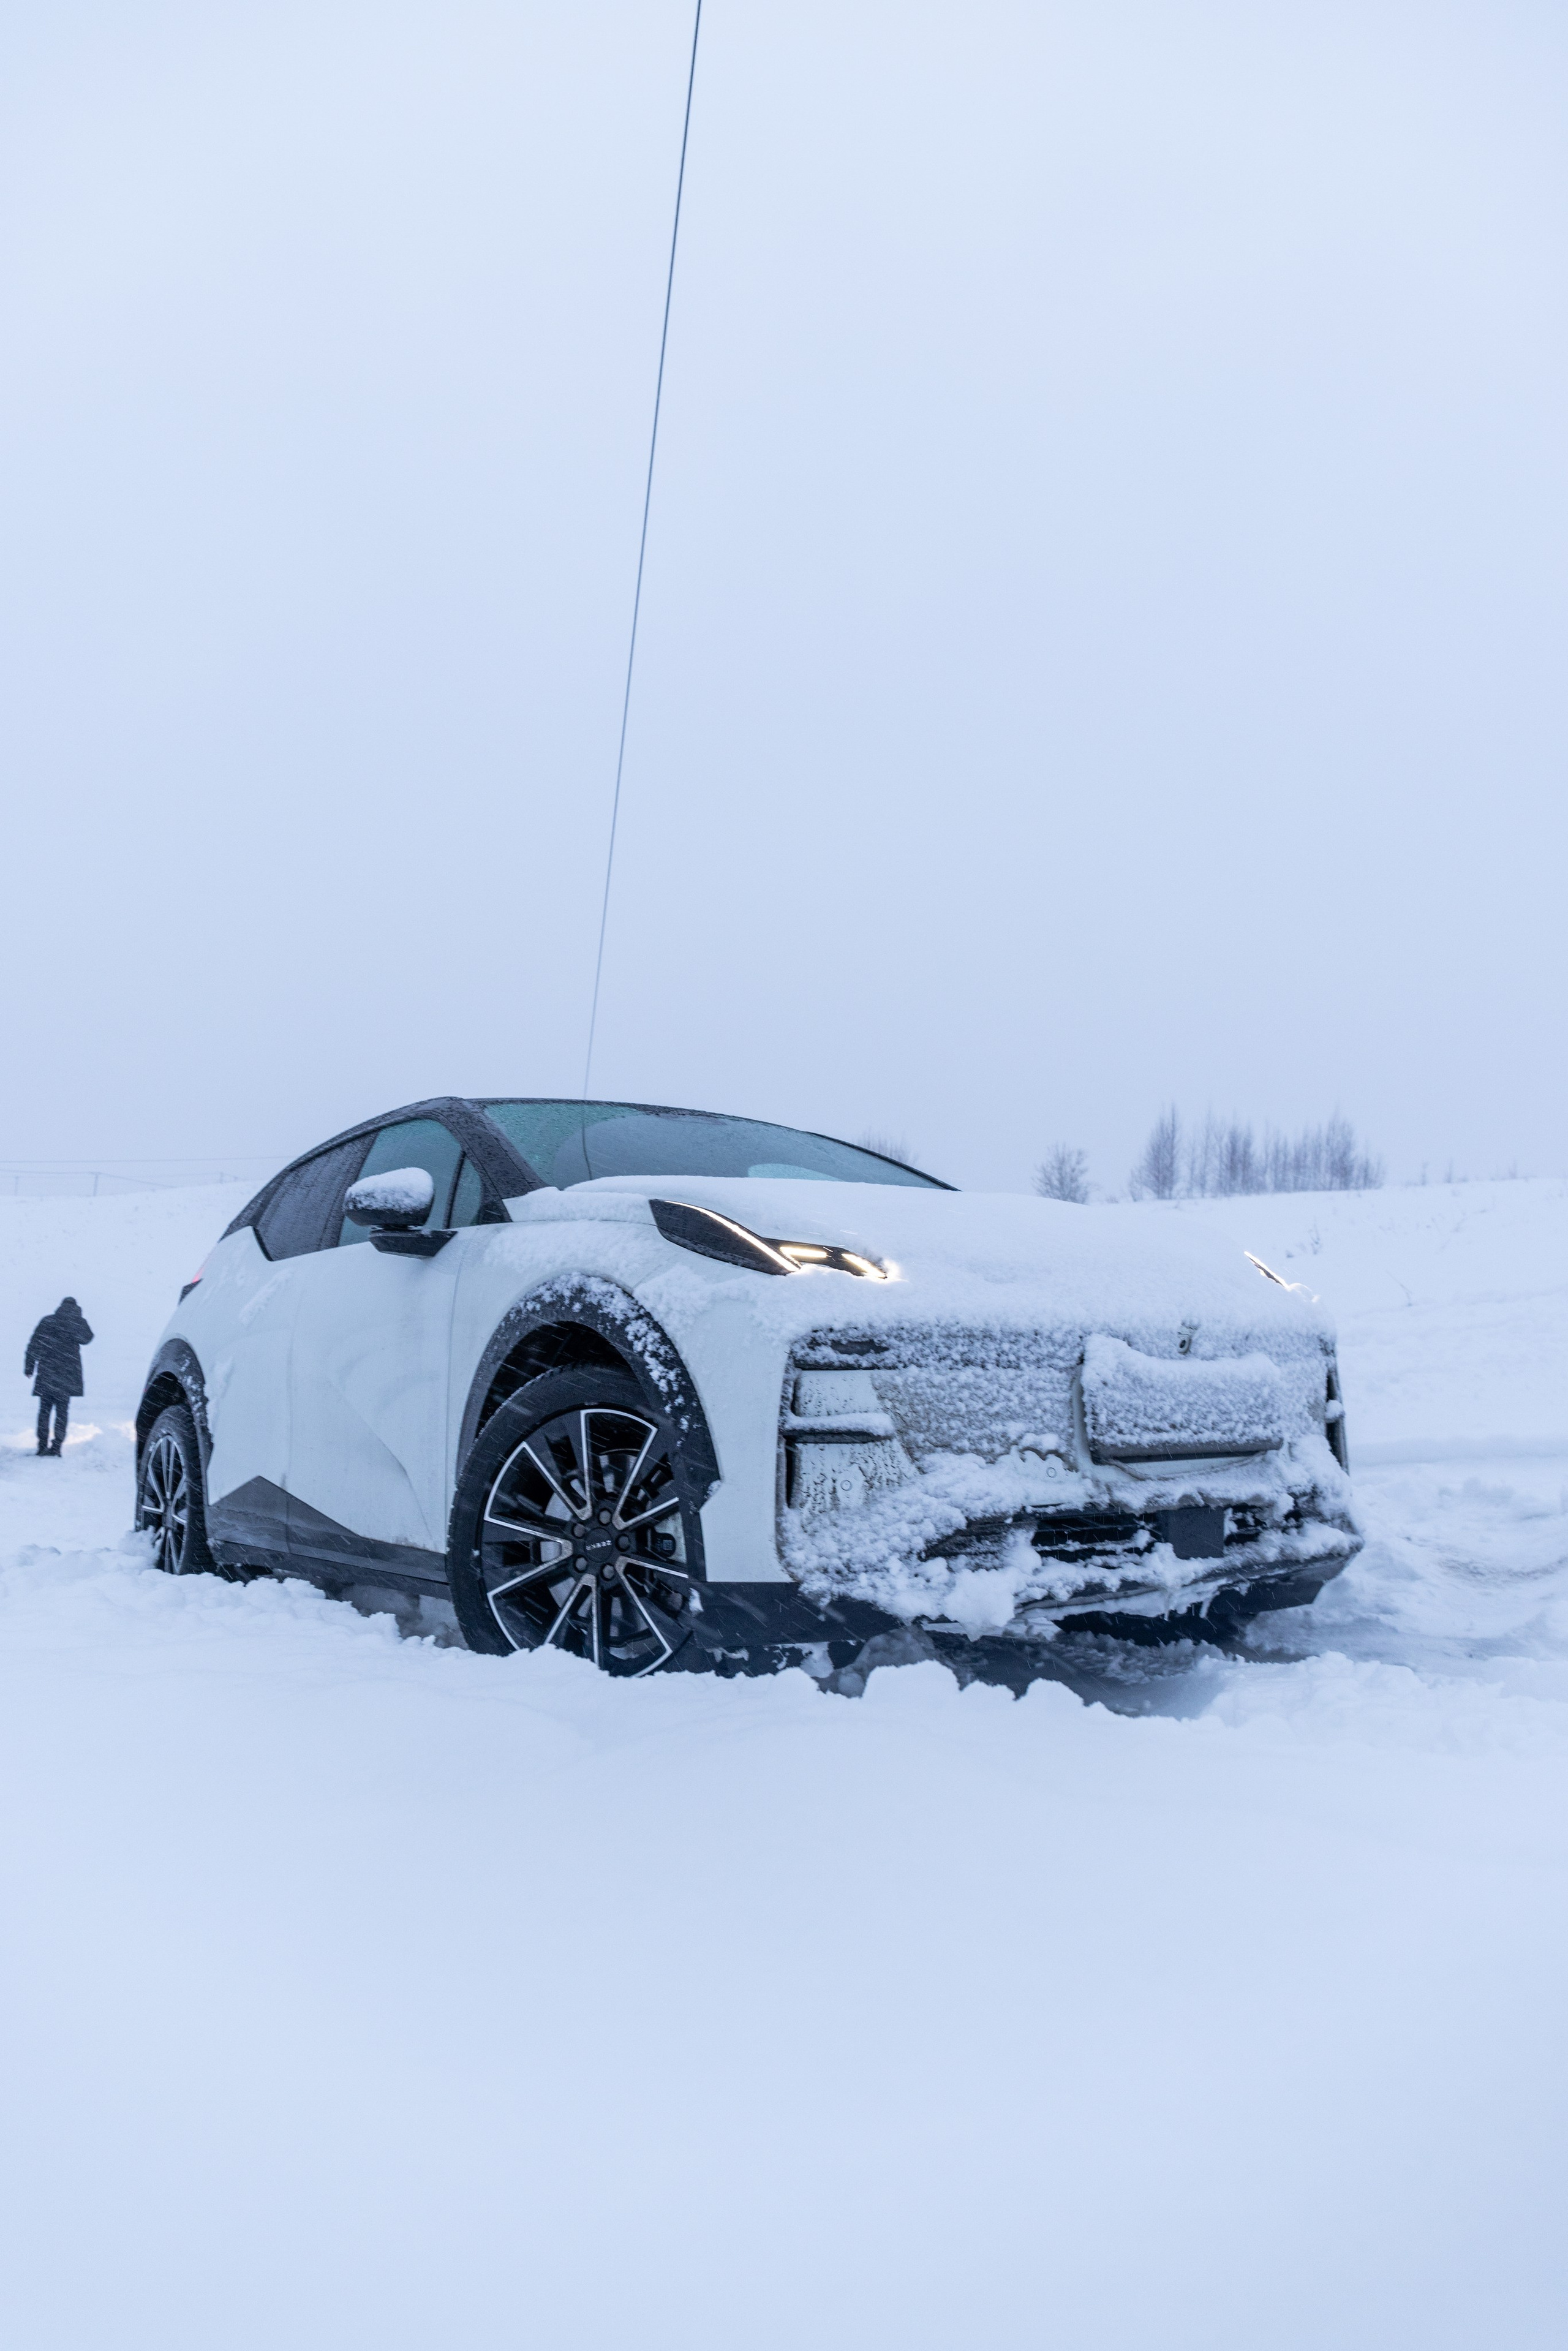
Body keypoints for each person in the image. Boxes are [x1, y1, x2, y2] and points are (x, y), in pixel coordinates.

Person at [24, 1297, 94, 1457]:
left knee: (44, 1410)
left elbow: (34, 1344)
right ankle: (57, 1446)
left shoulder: (48, 1321)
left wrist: (29, 1366)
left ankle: (42, 1445)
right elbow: (87, 1339)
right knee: (62, 1412)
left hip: (47, 1371)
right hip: (67, 1374)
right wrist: (78, 1321)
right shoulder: (78, 1323)